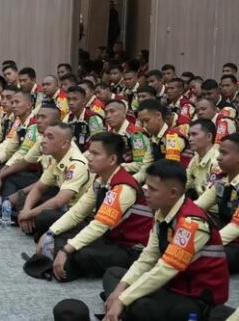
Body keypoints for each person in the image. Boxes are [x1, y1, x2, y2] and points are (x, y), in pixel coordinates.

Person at [102, 160, 229, 321]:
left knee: (140, 305)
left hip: (196, 298)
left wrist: (122, 299)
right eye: (146, 186)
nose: (146, 192)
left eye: (152, 189)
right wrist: (120, 291)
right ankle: (122, 310)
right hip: (172, 286)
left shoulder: (192, 222)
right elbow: (148, 257)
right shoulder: (161, 212)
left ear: (173, 193)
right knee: (114, 275)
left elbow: (165, 269)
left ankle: (121, 310)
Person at [36, 132, 152, 282]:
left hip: (129, 248)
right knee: (51, 226)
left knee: (80, 254)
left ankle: (56, 261)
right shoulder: (100, 180)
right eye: (90, 152)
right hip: (108, 238)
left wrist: (66, 249)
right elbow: (77, 212)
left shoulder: (123, 187)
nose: (89, 158)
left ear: (112, 159)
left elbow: (99, 226)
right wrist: (50, 233)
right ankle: (56, 260)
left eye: (95, 154)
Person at [17, 123, 91, 240]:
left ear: (64, 144)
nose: (43, 141)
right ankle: (30, 223)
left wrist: (29, 213)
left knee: (44, 216)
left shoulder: (77, 164)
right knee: (23, 198)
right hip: (62, 209)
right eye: (44, 136)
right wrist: (26, 210)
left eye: (50, 137)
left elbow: (59, 201)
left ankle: (28, 222)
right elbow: (38, 188)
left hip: (78, 215)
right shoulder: (56, 158)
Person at [0, 105, 61, 197]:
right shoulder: (41, 138)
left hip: (57, 189)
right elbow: (24, 161)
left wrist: (19, 194)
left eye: (43, 117)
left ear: (57, 122)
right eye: (38, 117)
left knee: (20, 195)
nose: (38, 120)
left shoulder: (61, 143)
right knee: (6, 177)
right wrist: (0, 176)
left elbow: (47, 182)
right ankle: (9, 203)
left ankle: (12, 203)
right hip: (41, 181)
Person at [196, 133, 239, 273]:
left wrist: (203, 244)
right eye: (219, 152)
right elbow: (197, 206)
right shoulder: (221, 179)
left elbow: (235, 227)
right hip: (225, 229)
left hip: (235, 235)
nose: (218, 157)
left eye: (224, 153)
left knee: (215, 257)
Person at [133, 100, 191, 183]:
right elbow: (145, 167)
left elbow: (168, 171)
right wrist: (130, 181)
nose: (145, 125)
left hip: (179, 183)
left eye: (147, 120)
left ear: (158, 115)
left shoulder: (173, 137)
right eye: (142, 122)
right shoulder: (152, 138)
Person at [104, 99, 151, 178]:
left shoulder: (136, 134)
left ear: (124, 113)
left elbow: (140, 165)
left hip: (132, 177)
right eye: (106, 113)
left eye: (112, 111)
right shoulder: (110, 133)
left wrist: (114, 167)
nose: (108, 116)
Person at [186, 119, 220, 201]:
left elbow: (210, 199)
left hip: (212, 208)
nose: (190, 139)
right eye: (189, 135)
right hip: (198, 204)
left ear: (209, 137)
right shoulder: (196, 157)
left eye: (194, 134)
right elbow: (186, 184)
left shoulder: (217, 161)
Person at [63, 85, 104, 151]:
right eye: (69, 99)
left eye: (75, 99)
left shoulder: (93, 118)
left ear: (84, 101)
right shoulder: (69, 117)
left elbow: (98, 143)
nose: (70, 103)